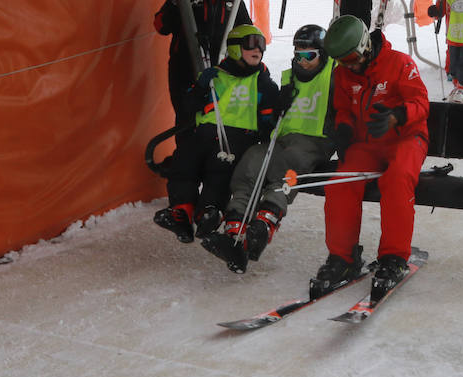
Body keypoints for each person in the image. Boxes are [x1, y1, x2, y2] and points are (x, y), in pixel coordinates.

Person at [311, 15, 430, 304]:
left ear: (365, 45)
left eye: (352, 57)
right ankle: (343, 256)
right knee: (340, 182)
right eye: (342, 60)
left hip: (406, 138)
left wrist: (397, 116)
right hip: (368, 144)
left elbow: (421, 102)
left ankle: (393, 257)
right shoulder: (343, 74)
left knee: (397, 179)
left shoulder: (399, 63)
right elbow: (343, 109)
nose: (349, 65)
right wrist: (345, 126)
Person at [203, 24, 339, 271]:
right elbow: (277, 112)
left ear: (323, 54)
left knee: (286, 170)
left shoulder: (334, 74)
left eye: (310, 56)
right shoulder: (291, 77)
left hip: (313, 141)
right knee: (252, 160)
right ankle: (235, 228)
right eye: (298, 55)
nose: (303, 61)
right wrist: (278, 106)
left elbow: (350, 103)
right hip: (284, 139)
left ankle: (265, 223)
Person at [151, 24, 279, 243]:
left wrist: (268, 129)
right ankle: (182, 210)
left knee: (219, 174)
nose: (258, 49)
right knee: (183, 163)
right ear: (235, 48)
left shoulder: (263, 81)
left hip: (238, 138)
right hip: (205, 133)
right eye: (251, 44)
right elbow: (189, 107)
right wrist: (200, 87)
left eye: (261, 44)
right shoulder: (216, 77)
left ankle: (210, 212)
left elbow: (270, 114)